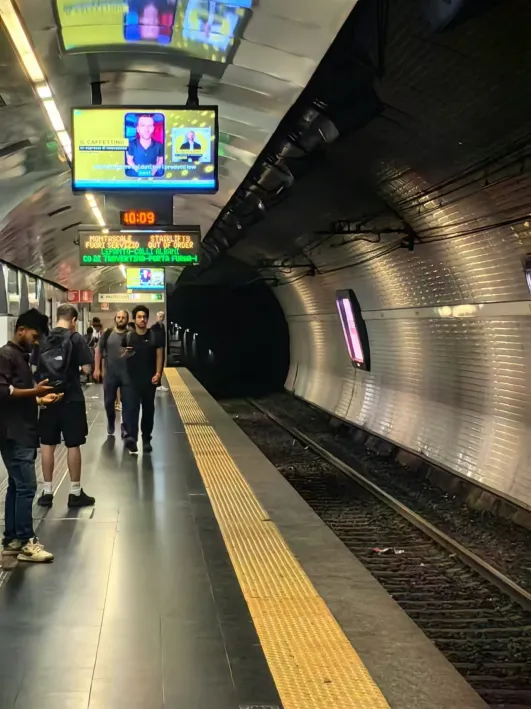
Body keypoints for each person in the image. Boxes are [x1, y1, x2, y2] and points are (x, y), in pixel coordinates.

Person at [0, 309, 61, 562]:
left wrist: (38, 399)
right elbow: (3, 392)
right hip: (14, 433)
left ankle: (13, 539)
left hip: (19, 430)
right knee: (27, 487)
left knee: (17, 486)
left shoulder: (19, 356)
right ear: (21, 330)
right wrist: (35, 392)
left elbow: (16, 395)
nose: (35, 342)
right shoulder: (6, 355)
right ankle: (26, 541)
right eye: (34, 337)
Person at [36, 304, 95, 508]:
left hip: (48, 398)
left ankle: (47, 492)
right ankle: (75, 492)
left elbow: (35, 368)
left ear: (57, 316)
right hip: (72, 398)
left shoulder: (44, 338)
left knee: (47, 445)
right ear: (74, 320)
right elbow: (87, 369)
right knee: (73, 444)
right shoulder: (76, 338)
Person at [122, 305, 164, 455]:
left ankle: (146, 439)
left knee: (148, 411)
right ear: (134, 319)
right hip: (131, 381)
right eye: (139, 317)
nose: (142, 320)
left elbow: (159, 355)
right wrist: (125, 354)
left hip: (149, 380)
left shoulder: (154, 336)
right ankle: (132, 439)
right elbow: (120, 357)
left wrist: (158, 373)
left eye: (144, 317)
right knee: (132, 410)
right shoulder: (128, 337)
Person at [94, 310, 129, 436]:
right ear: (115, 319)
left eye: (123, 317)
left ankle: (125, 426)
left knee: (128, 402)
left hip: (127, 375)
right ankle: (111, 420)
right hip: (110, 374)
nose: (121, 319)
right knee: (109, 402)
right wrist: (97, 368)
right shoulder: (108, 333)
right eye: (118, 317)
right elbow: (98, 350)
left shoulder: (130, 335)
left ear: (127, 319)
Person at [150, 311, 169, 392]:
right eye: (160, 316)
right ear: (157, 317)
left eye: (162, 316)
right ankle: (157, 384)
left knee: (161, 364)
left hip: (162, 347)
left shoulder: (163, 326)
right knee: (157, 365)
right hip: (157, 348)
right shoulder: (154, 327)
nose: (161, 318)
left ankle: (159, 383)